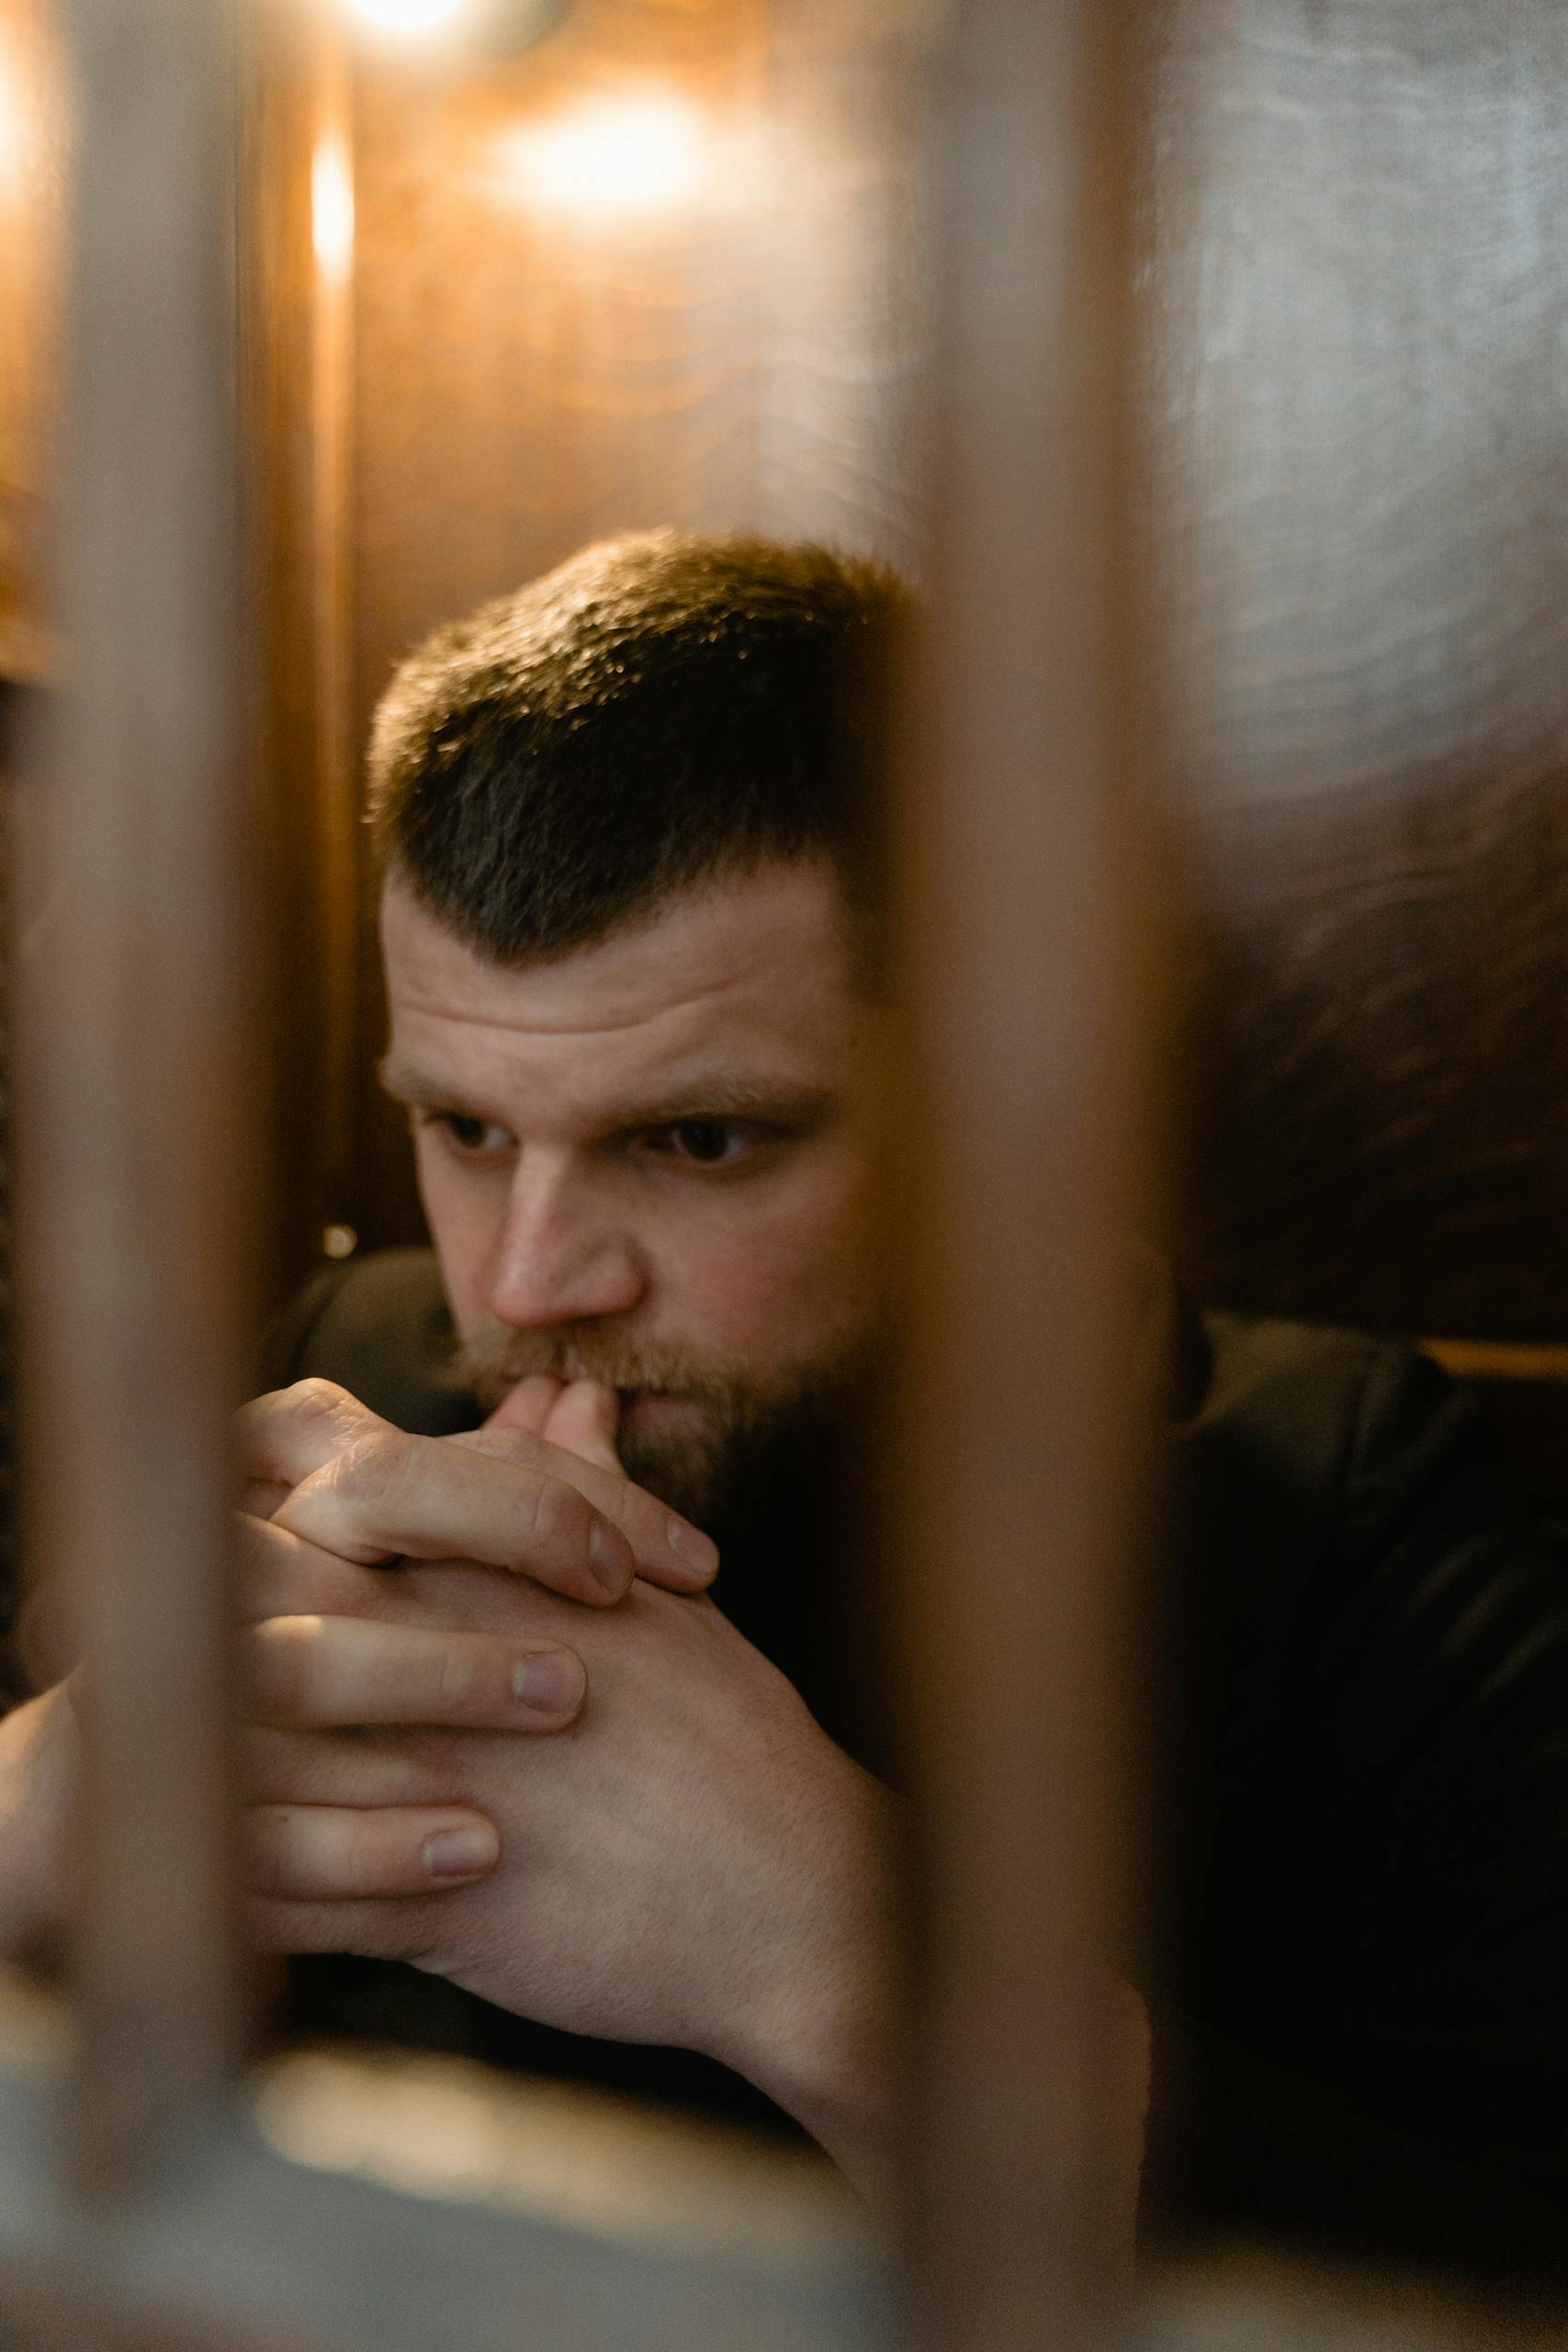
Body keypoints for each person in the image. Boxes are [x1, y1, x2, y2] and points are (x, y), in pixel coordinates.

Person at [4, 532, 1568, 2290]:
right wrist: (29, 1839)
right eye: (465, 1129)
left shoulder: (1338, 1501)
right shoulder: (346, 1379)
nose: (526, 1288)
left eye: (697, 1140)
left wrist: (848, 1962)